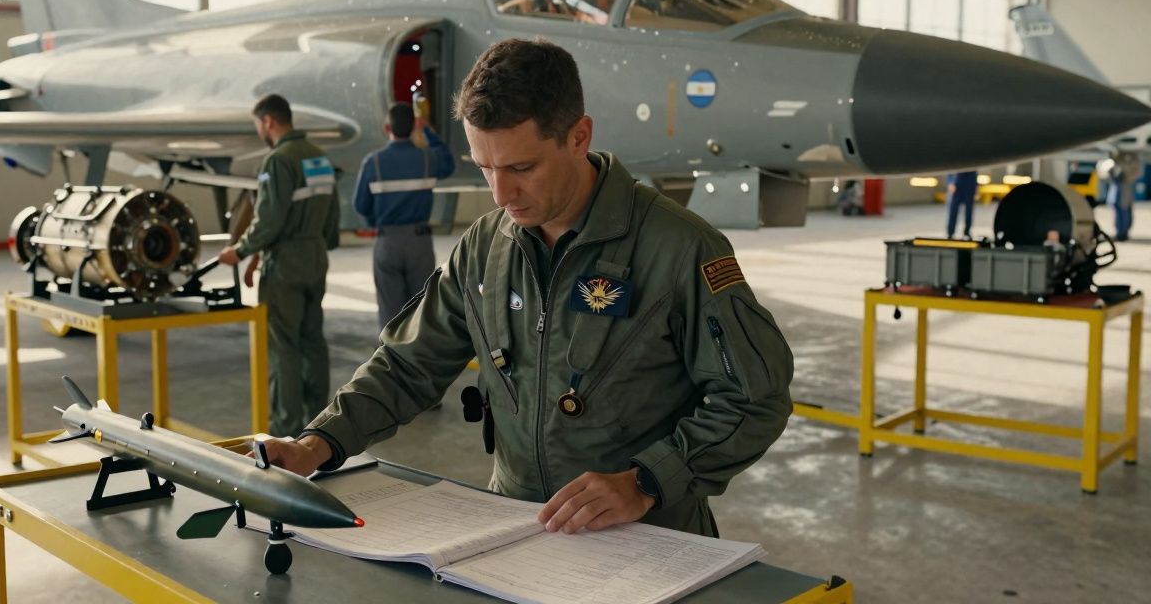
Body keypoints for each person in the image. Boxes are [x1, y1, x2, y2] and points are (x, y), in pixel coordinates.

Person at [254, 38, 794, 538]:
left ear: (579, 137)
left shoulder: (678, 248)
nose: (500, 192)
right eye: (484, 167)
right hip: (519, 531)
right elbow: (407, 363)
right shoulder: (487, 246)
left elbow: (754, 399)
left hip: (648, 538)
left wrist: (646, 482)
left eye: (521, 166)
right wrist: (318, 443)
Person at [219, 94, 340, 438]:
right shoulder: (319, 157)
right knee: (312, 339)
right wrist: (320, 243)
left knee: (283, 345)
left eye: (258, 124)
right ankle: (321, 424)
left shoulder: (277, 161)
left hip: (285, 262)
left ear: (268, 121)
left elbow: (269, 220)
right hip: (315, 257)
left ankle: (286, 429)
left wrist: (241, 251)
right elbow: (332, 211)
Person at [353, 102, 456, 328]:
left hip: (387, 241)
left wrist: (378, 226)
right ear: (413, 127)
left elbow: (361, 205)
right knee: (421, 312)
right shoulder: (427, 159)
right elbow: (448, 163)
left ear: (387, 127)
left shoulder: (374, 162)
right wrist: (428, 130)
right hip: (419, 242)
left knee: (391, 319)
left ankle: (392, 361)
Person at [1106, 152, 1140, 241]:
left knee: (1124, 213)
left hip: (1123, 193)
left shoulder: (1129, 165)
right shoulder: (1115, 166)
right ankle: (1120, 233)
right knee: (1119, 213)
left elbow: (1135, 172)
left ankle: (1122, 234)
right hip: (1118, 194)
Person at [945, 170, 978, 239]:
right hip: (957, 182)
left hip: (969, 183)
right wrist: (951, 182)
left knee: (969, 211)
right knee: (953, 210)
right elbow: (951, 167)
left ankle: (967, 231)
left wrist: (975, 187)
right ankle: (950, 232)